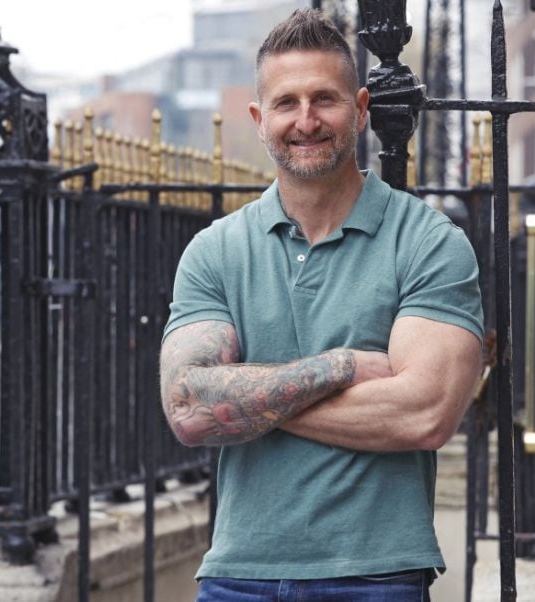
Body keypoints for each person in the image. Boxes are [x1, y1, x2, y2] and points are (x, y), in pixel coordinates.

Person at [160, 9, 483, 601]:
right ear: (260, 119)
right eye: (286, 103)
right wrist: (343, 367)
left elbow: (425, 414)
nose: (305, 121)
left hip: (377, 575)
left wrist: (244, 398)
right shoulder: (214, 251)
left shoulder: (428, 242)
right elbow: (186, 409)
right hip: (238, 576)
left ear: (360, 109)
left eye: (324, 99)